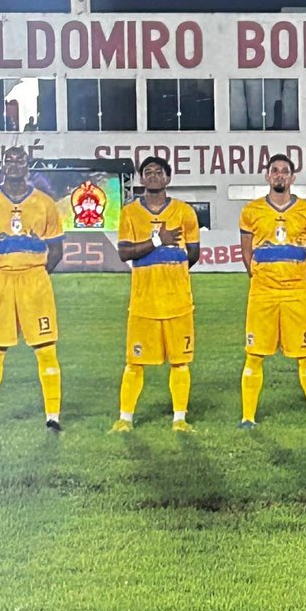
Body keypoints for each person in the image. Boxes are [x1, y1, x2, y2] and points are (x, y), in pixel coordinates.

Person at [0, 145, 65, 431]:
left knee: (46, 349)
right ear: (2, 166)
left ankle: (53, 417)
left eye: (19, 160)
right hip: (0, 281)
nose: (13, 164)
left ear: (27, 165)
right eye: (8, 160)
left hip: (35, 281)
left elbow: (56, 250)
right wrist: (1, 268)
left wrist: (34, 271)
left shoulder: (45, 203)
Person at [113, 156, 201, 431]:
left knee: (180, 362)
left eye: (158, 172)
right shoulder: (130, 213)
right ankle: (124, 420)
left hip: (177, 302)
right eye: (147, 172)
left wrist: (172, 270)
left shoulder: (185, 212)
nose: (152, 176)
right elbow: (124, 252)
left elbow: (194, 253)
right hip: (144, 303)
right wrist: (156, 242)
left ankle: (179, 419)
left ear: (167, 178)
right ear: (141, 179)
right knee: (134, 362)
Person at [238, 153, 306, 426]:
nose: (279, 175)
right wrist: (262, 277)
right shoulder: (251, 211)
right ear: (267, 176)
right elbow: (246, 253)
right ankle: (248, 417)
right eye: (274, 170)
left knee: (305, 354)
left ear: (292, 177)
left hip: (296, 293)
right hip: (262, 292)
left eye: (284, 171)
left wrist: (297, 276)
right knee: (254, 355)